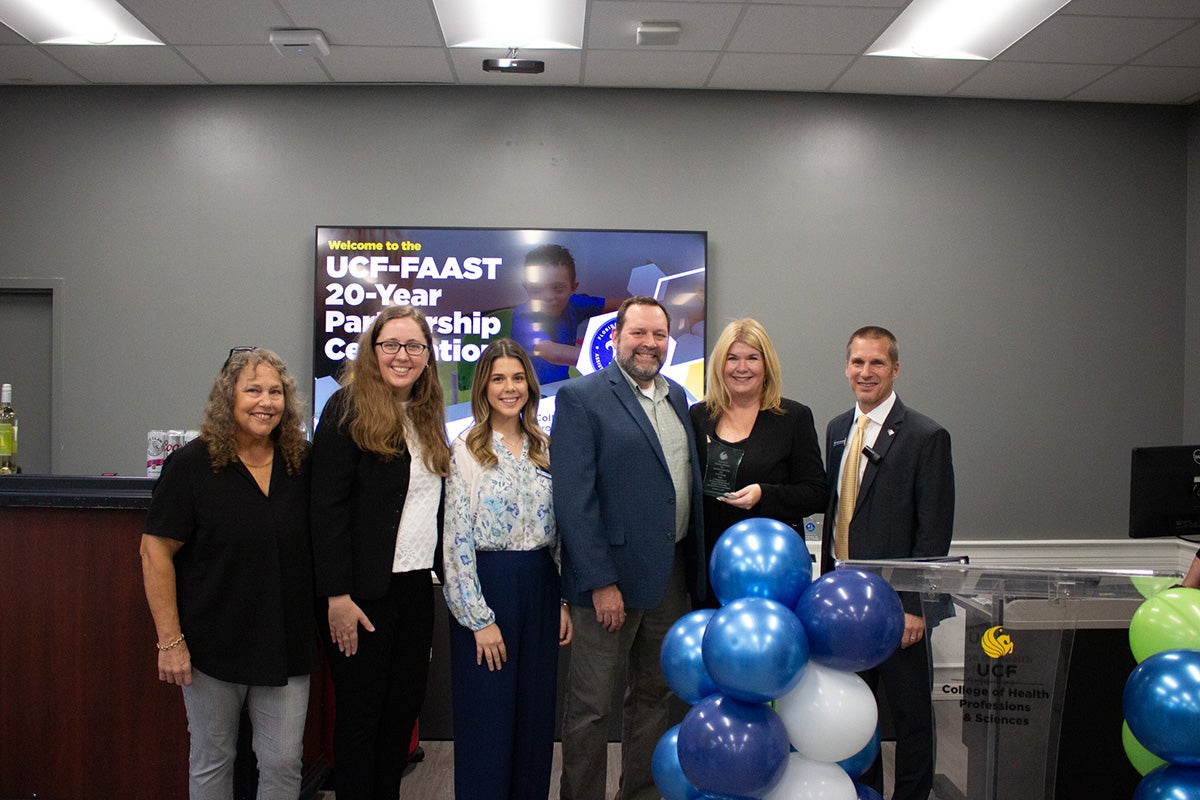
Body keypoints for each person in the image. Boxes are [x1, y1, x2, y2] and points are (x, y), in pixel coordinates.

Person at [139, 347, 315, 800]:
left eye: (275, 391)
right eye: (253, 390)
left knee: (282, 764)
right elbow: (154, 550)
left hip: (286, 644)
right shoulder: (192, 465)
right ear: (228, 399)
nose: (266, 401)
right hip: (210, 648)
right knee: (213, 760)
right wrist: (170, 640)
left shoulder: (302, 463)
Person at [551, 296, 706, 800]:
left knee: (654, 699)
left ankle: (640, 793)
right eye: (638, 333)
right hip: (608, 585)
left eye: (659, 335)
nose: (649, 344)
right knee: (592, 708)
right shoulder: (582, 398)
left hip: (668, 577)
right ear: (616, 336)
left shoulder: (679, 397)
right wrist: (600, 582)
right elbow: (575, 501)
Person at [310, 306, 450, 800]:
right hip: (360, 595)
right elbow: (325, 509)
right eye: (391, 344)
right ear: (373, 350)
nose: (402, 355)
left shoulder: (429, 415)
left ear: (428, 357)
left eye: (414, 346)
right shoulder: (347, 408)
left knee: (401, 712)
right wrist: (336, 596)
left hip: (415, 589)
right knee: (361, 718)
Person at [821, 325, 955, 800]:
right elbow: (838, 513)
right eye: (857, 362)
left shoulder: (926, 436)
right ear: (846, 368)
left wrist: (916, 606)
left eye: (877, 363)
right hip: (844, 605)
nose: (866, 372)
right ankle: (866, 792)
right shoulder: (838, 430)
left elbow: (933, 530)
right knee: (858, 713)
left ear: (895, 369)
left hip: (898, 607)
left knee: (910, 714)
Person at [443, 338, 573, 800]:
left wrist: (560, 600)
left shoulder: (545, 447)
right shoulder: (466, 449)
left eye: (518, 377)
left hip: (540, 586)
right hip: (487, 590)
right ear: (483, 387)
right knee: (488, 722)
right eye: (498, 378)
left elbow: (561, 533)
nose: (509, 387)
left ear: (530, 386)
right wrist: (479, 620)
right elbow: (456, 540)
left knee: (534, 721)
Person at [689, 318, 828, 605]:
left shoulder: (793, 418)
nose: (742, 368)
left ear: (766, 365)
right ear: (720, 365)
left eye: (752, 357)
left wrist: (764, 494)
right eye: (733, 358)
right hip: (710, 567)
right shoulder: (697, 416)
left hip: (772, 571)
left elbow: (817, 494)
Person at [510, 243, 621, 385]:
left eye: (558, 288)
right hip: (528, 392)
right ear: (526, 288)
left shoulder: (574, 303)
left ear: (573, 288)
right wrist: (612, 359)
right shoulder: (523, 316)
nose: (548, 296)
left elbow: (621, 305)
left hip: (561, 386)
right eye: (537, 289)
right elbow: (551, 352)